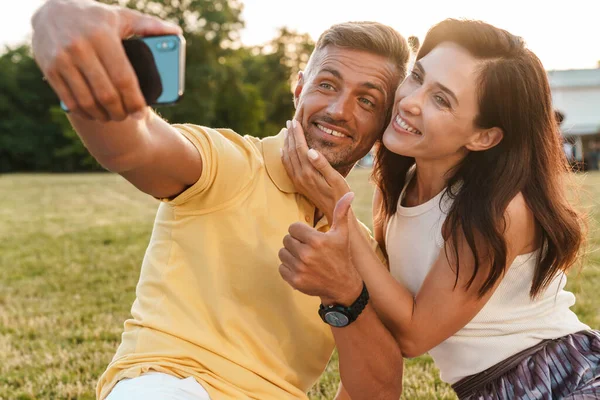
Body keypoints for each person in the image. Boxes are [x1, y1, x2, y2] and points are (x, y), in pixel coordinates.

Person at [31, 1, 410, 399]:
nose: (338, 110)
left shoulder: (364, 252)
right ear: (299, 88)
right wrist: (60, 24)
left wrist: (345, 291)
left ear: (384, 125)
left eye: (366, 101)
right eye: (327, 85)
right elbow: (133, 145)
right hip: (172, 385)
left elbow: (377, 393)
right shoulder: (232, 162)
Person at [280, 19, 600, 399]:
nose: (411, 101)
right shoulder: (395, 188)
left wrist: (338, 208)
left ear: (483, 136)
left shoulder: (500, 210)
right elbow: (381, 314)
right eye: (417, 77)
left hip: (560, 378)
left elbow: (414, 334)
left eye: (441, 99)